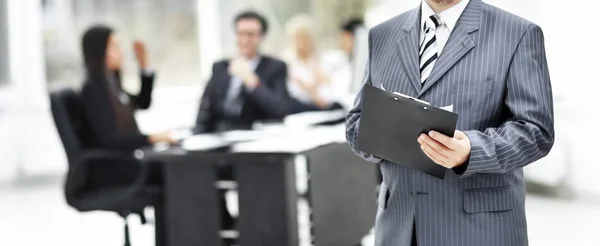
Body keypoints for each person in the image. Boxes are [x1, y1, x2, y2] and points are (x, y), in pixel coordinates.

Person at [346, 0, 554, 245]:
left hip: (479, 231)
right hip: (400, 229)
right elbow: (356, 122)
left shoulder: (517, 33)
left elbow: (537, 130)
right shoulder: (381, 35)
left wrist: (471, 150)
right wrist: (380, 136)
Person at [79, 26, 175, 185]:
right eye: (115, 47)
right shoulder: (93, 90)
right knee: (176, 170)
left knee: (175, 166)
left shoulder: (111, 84)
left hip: (125, 161)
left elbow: (143, 103)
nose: (121, 52)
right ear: (99, 51)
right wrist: (152, 138)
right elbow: (110, 138)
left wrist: (144, 67)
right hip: (113, 168)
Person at [195, 11, 301, 133]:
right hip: (221, 138)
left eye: (250, 34)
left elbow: (280, 109)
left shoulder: (275, 67)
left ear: (262, 37)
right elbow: (205, 113)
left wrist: (252, 82)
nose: (245, 39)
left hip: (256, 137)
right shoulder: (220, 67)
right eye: (240, 33)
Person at [282, 14, 333, 109]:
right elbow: (294, 89)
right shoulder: (288, 62)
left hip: (325, 104)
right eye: (298, 37)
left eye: (305, 37)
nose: (302, 42)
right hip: (301, 107)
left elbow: (328, 83)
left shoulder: (321, 59)